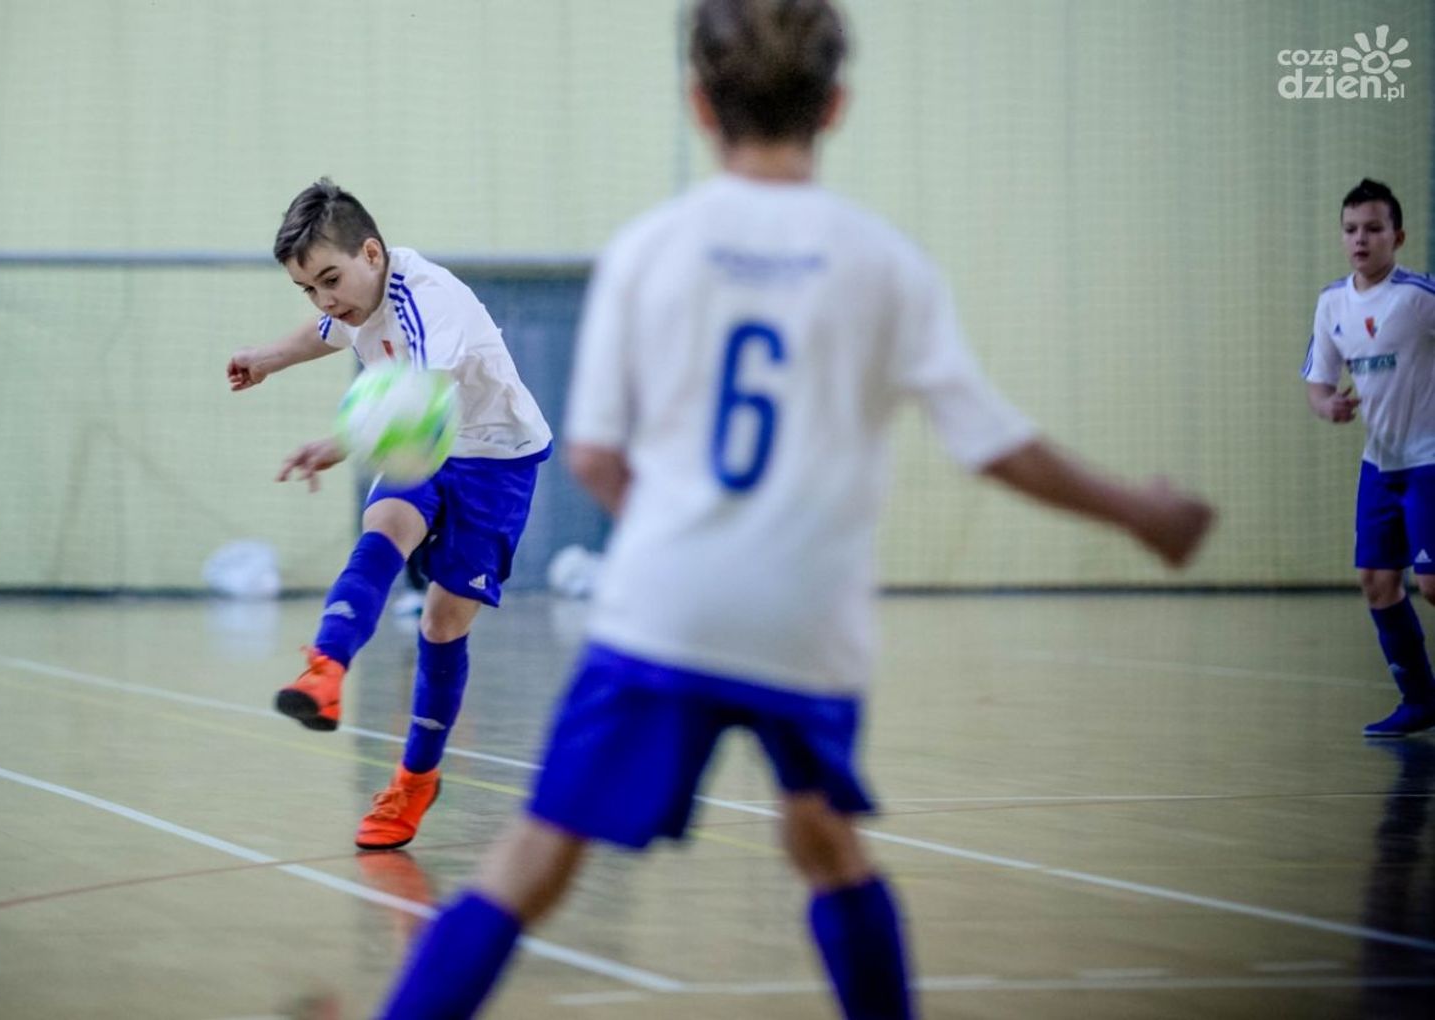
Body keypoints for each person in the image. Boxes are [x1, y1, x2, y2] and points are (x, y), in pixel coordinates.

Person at [378, 2, 1213, 1017]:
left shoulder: (650, 250)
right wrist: (1139, 511)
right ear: (837, 105)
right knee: (827, 845)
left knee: (534, 857)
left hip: (667, 609)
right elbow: (994, 443)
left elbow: (594, 456)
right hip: (805, 618)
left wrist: (691, 540)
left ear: (698, 104)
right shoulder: (884, 263)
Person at [227, 179, 552, 848]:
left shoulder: (427, 299)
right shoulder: (353, 301)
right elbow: (329, 332)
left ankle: (417, 779)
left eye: (330, 279)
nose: (324, 299)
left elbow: (417, 406)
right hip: (428, 441)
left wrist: (337, 444)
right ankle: (325, 670)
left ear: (372, 254)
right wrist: (266, 359)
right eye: (308, 288)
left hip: (493, 457)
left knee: (441, 624)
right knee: (384, 530)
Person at [1303, 178, 1435, 739]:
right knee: (1377, 582)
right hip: (1379, 467)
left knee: (1432, 583)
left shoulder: (1419, 297)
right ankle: (1420, 700)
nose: (1361, 239)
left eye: (1374, 229)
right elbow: (1318, 381)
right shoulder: (1332, 303)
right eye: (1351, 229)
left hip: (1429, 461)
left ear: (1397, 237)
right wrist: (1326, 405)